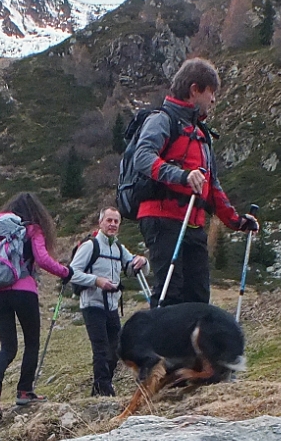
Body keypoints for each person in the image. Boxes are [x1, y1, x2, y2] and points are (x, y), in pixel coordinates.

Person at [127, 57, 259, 306]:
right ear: (195, 89)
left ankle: (189, 345)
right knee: (170, 294)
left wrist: (237, 221)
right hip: (163, 219)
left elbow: (212, 186)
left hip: (193, 224)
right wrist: (182, 176)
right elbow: (143, 157)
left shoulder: (201, 135)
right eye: (211, 92)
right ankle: (160, 344)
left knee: (198, 297)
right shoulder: (161, 120)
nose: (214, 100)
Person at [0, 191, 73, 419]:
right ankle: (24, 391)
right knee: (32, 342)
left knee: (8, 347)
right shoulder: (33, 230)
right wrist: (65, 271)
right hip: (24, 292)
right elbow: (42, 259)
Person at [68, 204, 148, 396]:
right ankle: (103, 389)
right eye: (109, 220)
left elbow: (132, 268)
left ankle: (100, 388)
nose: (112, 224)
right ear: (101, 222)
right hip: (92, 305)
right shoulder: (90, 246)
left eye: (116, 221)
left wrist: (143, 262)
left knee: (116, 348)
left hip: (111, 306)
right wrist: (96, 281)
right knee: (101, 348)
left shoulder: (118, 248)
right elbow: (71, 273)